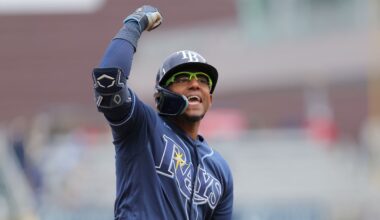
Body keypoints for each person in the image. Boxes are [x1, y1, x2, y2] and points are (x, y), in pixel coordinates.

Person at [91, 5, 233, 220]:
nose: (195, 84)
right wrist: (133, 24)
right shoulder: (142, 127)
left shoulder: (219, 168)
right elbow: (108, 82)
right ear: (161, 96)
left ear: (210, 99)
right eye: (183, 78)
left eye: (203, 80)